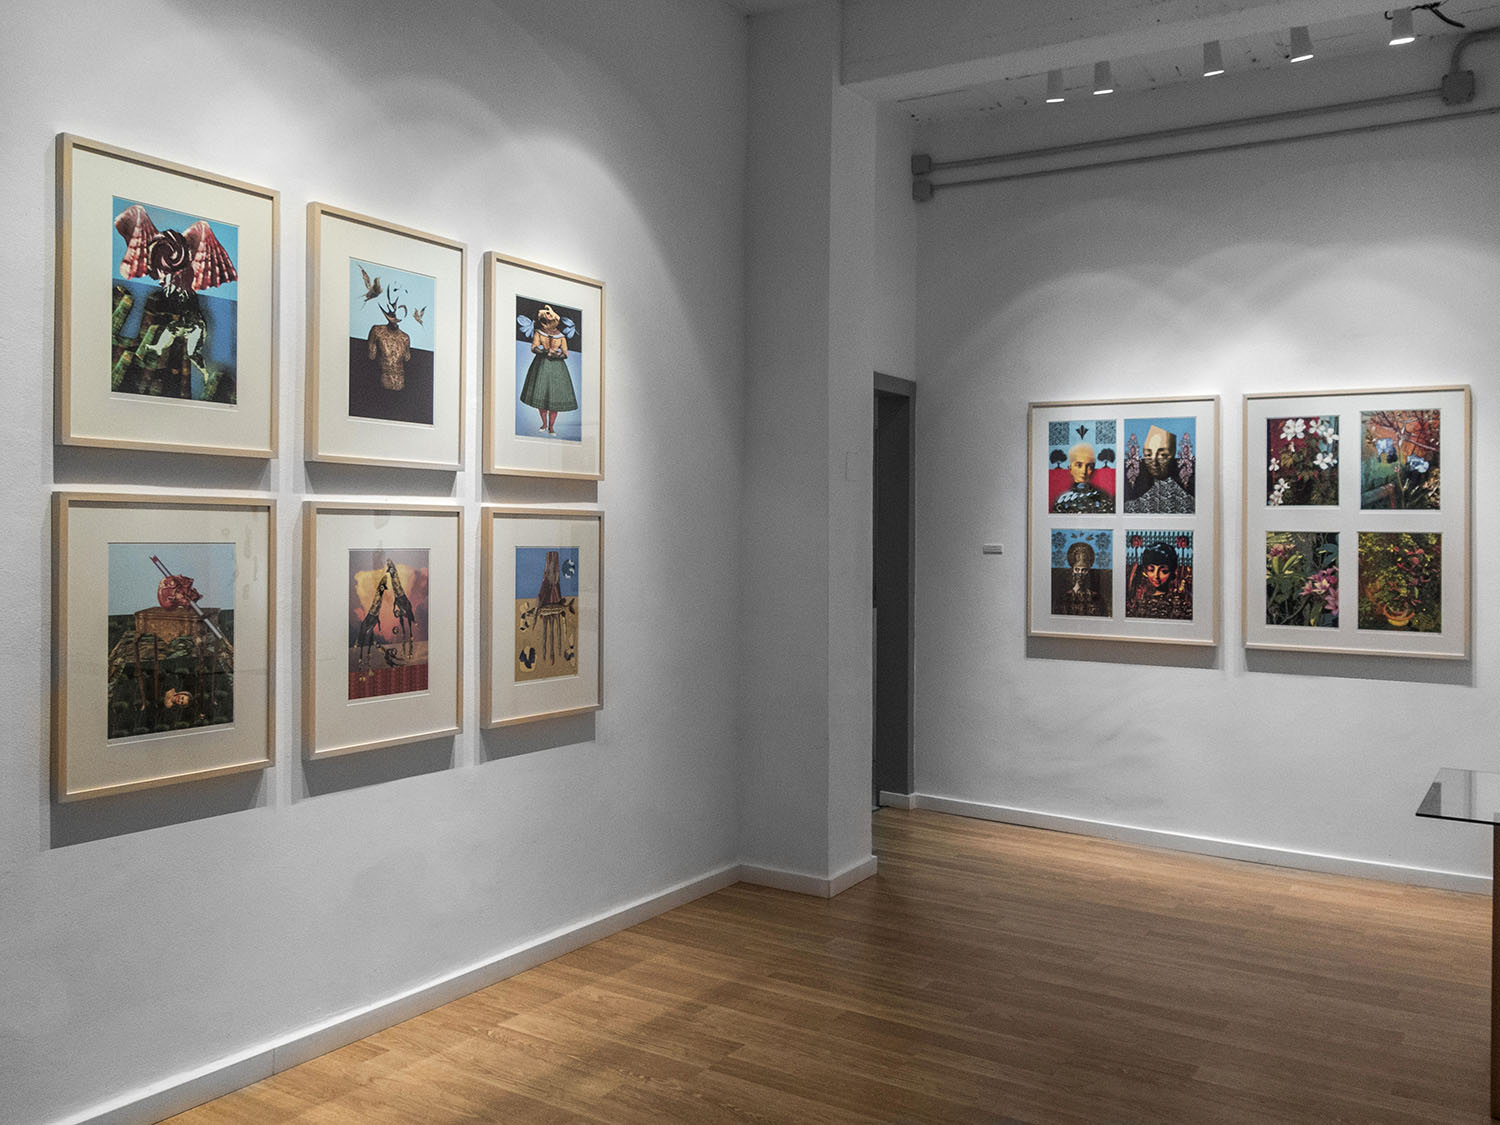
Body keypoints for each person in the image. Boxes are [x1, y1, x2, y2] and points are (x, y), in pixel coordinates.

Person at [518, 305, 578, 436]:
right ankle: (544, 424)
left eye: (549, 320)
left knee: (554, 401)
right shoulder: (539, 333)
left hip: (558, 369)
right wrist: (545, 351)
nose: (547, 323)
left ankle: (551, 427)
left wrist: (557, 355)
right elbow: (534, 347)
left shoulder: (561, 336)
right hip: (541, 366)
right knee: (541, 397)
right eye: (544, 321)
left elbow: (565, 353)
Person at [1126, 426, 1193, 513]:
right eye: (1148, 455)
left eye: (1162, 455)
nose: (1154, 462)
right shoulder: (1131, 507)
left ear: (1173, 454)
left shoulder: (1191, 504)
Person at [1126, 541, 1191, 619]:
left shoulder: (1179, 601)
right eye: (1151, 570)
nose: (1156, 576)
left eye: (1163, 571)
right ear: (1145, 571)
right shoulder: (1138, 600)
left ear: (1172, 571)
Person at [1052, 441, 1113, 513]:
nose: (1084, 471)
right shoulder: (1062, 500)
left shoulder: (1103, 498)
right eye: (1079, 465)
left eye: (1089, 466)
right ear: (1070, 469)